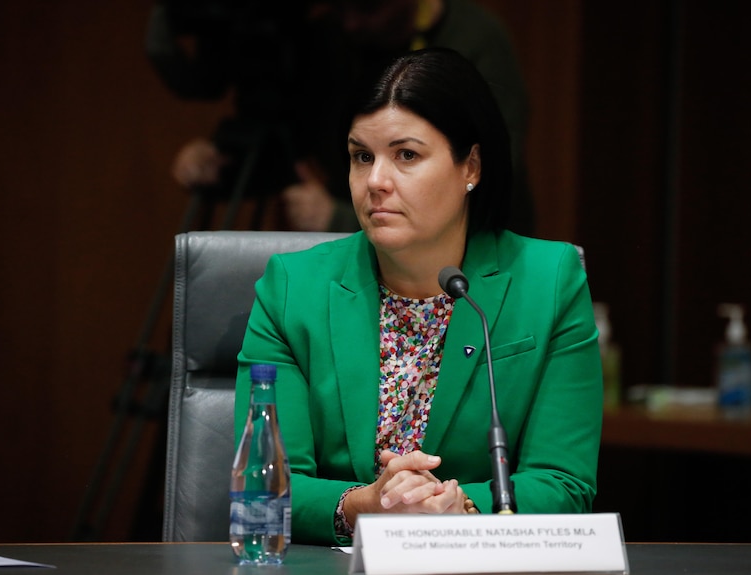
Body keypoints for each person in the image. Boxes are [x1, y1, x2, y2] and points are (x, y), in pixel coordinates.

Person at [235, 48, 602, 546]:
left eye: (406, 155)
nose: (376, 182)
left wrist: (462, 507)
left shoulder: (549, 280)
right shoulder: (291, 288)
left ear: (470, 166)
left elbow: (563, 481)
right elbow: (266, 487)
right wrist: (364, 504)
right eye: (361, 156)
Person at [148, 0, 534, 236]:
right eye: (341, 6)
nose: (351, 23)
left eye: (368, 7)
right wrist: (220, 162)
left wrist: (342, 220)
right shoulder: (330, 39)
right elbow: (293, 145)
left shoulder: (474, 40)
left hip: (467, 257)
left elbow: (490, 176)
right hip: (359, 257)